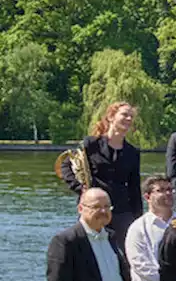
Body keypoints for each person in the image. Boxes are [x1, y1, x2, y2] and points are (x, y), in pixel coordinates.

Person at [60, 101, 143, 237]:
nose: (129, 119)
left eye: (131, 116)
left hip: (122, 212)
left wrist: (138, 218)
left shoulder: (132, 152)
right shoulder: (91, 144)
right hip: (93, 208)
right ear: (111, 117)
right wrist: (80, 189)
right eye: (124, 115)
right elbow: (65, 165)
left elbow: (134, 188)